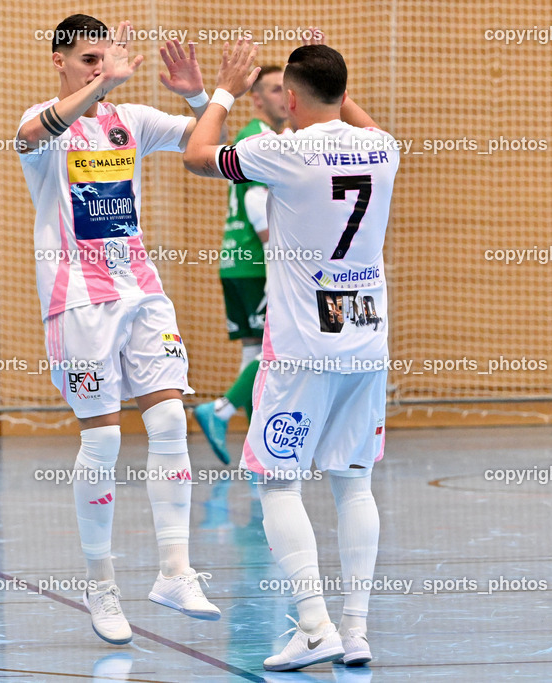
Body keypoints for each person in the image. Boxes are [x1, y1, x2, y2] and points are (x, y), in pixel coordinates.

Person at [184, 39, 399, 670]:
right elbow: (354, 120)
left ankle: (313, 626)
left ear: (293, 97)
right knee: (354, 483)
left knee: (277, 482)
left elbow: (199, 155)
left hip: (304, 346)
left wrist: (221, 90)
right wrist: (327, 91)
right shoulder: (383, 149)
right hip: (367, 339)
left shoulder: (280, 151)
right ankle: (354, 633)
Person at [15, 14, 222, 645]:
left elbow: (205, 143)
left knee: (168, 421)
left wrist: (197, 94)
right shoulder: (43, 124)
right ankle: (100, 583)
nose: (100, 69)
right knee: (102, 442)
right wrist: (103, 85)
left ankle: (175, 570)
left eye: (107, 59)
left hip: (140, 290)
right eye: (88, 60)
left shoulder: (128, 122)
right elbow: (33, 131)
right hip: (78, 304)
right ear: (60, 61)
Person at [194, 65, 286, 465]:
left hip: (235, 260)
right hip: (257, 261)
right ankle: (220, 411)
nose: (284, 96)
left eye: (287, 88)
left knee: (254, 351)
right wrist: (278, 266)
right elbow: (256, 204)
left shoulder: (253, 137)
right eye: (275, 89)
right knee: (272, 352)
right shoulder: (261, 138)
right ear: (257, 98)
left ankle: (255, 446)